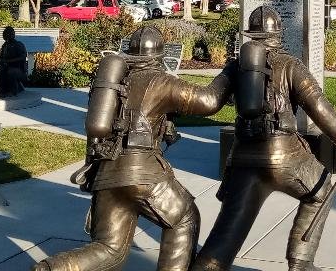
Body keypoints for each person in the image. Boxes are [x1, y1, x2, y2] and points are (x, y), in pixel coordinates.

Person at [33, 25, 235, 271]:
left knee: (109, 249)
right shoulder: (160, 81)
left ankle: (51, 268)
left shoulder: (115, 83)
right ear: (159, 56)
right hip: (143, 173)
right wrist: (229, 72)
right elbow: (208, 101)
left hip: (106, 173)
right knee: (183, 218)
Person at [190, 6, 336, 271]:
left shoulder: (236, 67)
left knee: (225, 237)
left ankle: (207, 265)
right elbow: (319, 108)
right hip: (286, 157)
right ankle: (301, 263)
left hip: (243, 158)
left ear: (250, 35)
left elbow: (209, 101)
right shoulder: (291, 65)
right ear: (278, 34)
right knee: (320, 190)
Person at [0, 26, 27, 97]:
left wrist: (8, 61)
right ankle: (2, 90)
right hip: (6, 67)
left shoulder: (18, 45)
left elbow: (22, 57)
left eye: (8, 34)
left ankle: (13, 91)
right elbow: (1, 57)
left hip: (19, 69)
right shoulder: (4, 45)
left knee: (11, 72)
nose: (5, 36)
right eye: (5, 34)